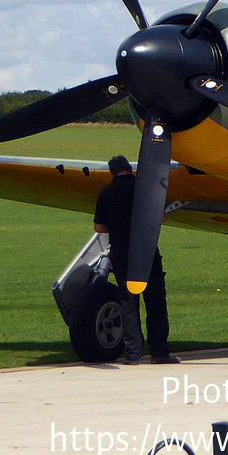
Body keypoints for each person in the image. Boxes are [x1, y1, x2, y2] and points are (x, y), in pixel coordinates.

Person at [93, 155, 178, 364]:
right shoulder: (146, 188)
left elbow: (99, 227)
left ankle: (133, 354)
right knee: (155, 301)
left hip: (121, 252)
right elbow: (163, 217)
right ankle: (159, 352)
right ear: (130, 169)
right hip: (146, 250)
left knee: (128, 302)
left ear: (112, 172)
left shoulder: (106, 193)